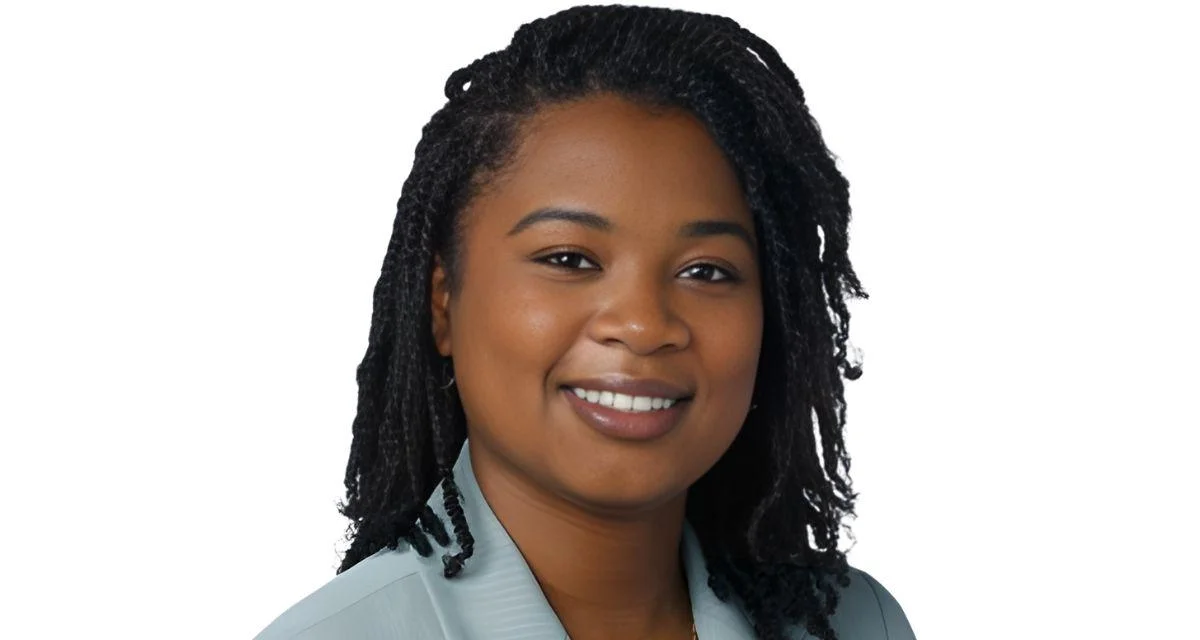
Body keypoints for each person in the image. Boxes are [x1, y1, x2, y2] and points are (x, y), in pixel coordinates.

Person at [254, 5, 915, 639]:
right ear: (443, 302)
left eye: (707, 271)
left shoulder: (859, 624)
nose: (643, 325)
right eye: (569, 259)